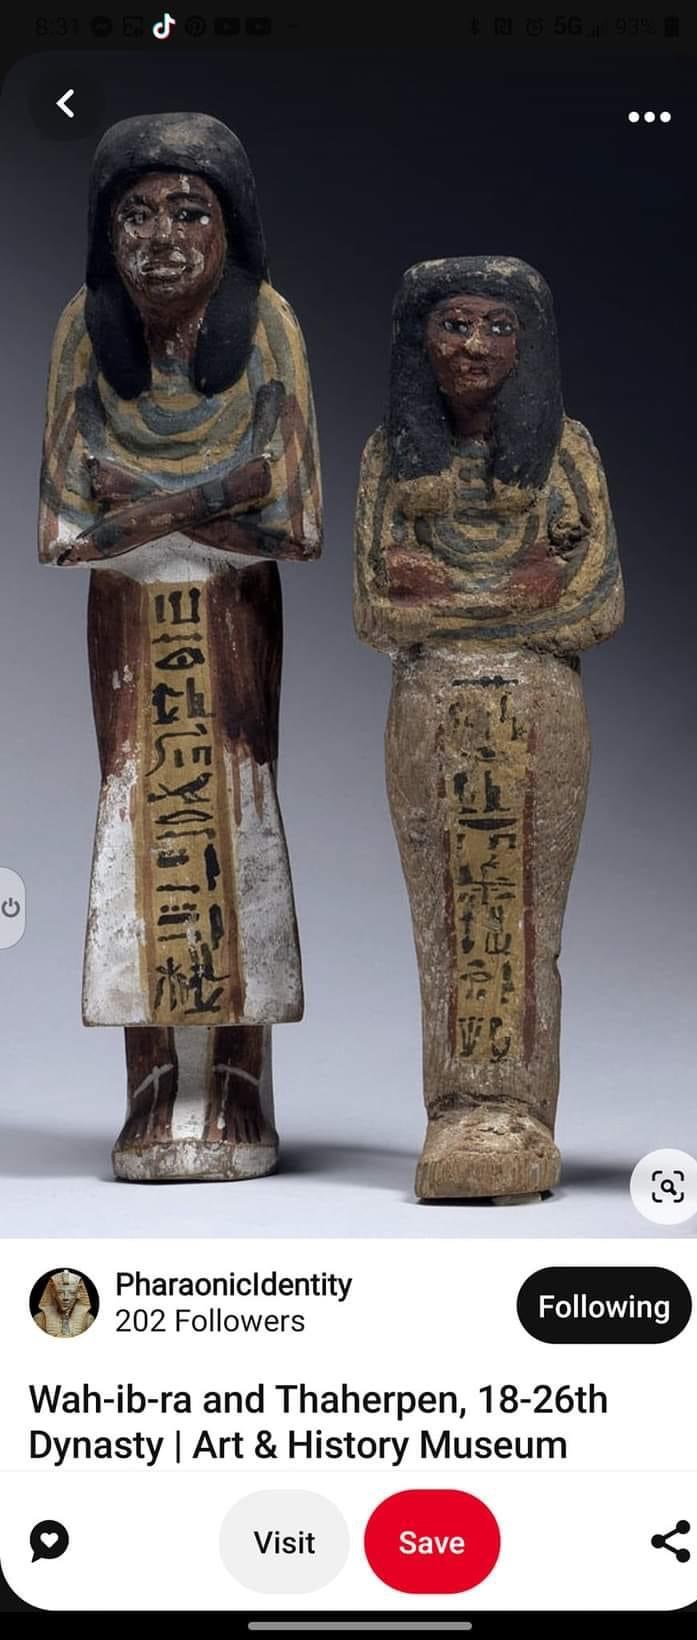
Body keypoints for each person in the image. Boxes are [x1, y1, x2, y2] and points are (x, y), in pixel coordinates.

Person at [39, 113, 322, 1182]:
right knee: (138, 825)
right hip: (129, 617)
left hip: (232, 610)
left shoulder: (269, 325)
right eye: (137, 215)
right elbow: (66, 526)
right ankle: (155, 1083)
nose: (161, 238)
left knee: (235, 828)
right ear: (105, 233)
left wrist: (147, 504)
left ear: (230, 226)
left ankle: (238, 1079)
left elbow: (290, 515)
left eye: (190, 212)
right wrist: (214, 496)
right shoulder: (85, 329)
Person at [354, 256, 623, 1201]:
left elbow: (596, 604)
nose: (473, 345)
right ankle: (459, 1107)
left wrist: (449, 596)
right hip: (429, 705)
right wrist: (518, 588)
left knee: (521, 916)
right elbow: (379, 613)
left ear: (529, 345)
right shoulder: (391, 456)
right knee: (447, 917)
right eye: (453, 324)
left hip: (538, 704)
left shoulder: (567, 451)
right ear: (418, 340)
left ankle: (518, 1112)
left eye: (497, 326)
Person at [34, 1270, 95, 1337]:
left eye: (72, 1293)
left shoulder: (88, 1320)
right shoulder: (39, 1319)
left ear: (78, 1294)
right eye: (60, 1292)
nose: (66, 1298)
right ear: (53, 1293)